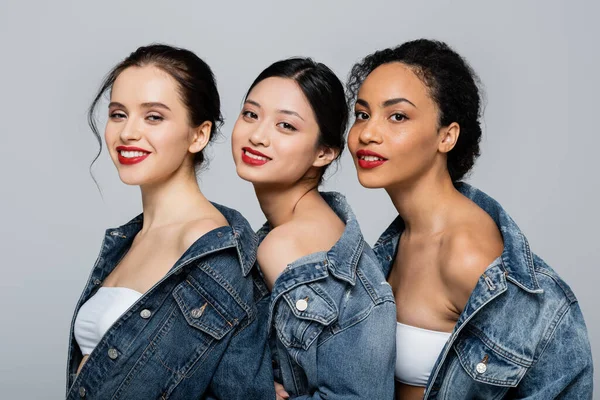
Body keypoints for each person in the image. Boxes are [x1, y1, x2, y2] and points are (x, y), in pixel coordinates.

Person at [347, 39, 594, 399]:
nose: (367, 133)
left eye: (397, 116)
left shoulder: (468, 253)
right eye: (363, 114)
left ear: (447, 136)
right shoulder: (396, 243)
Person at [66, 44, 275, 400]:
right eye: (118, 114)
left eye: (153, 117)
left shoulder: (214, 256)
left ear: (199, 135)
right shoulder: (130, 237)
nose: (128, 133)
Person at [231, 57, 396, 399]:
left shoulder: (285, 244)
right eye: (251, 114)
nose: (258, 135)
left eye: (286, 126)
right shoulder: (320, 226)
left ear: (323, 153)